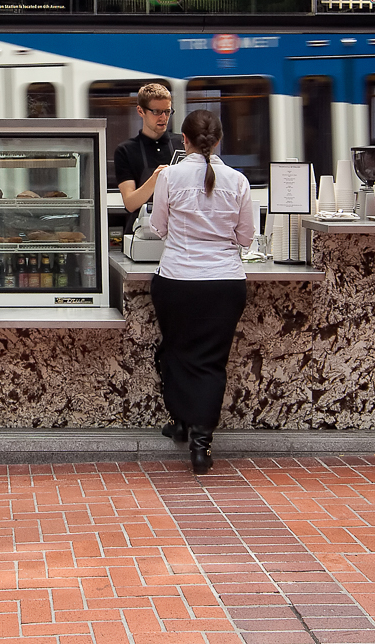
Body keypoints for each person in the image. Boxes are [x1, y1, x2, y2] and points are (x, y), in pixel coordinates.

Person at [146, 108, 257, 476]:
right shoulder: (239, 181)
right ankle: (200, 444)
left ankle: (180, 423)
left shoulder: (170, 177)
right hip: (225, 283)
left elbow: (158, 227)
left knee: (176, 352)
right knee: (212, 361)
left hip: (176, 280)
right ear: (220, 140)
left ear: (185, 141)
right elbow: (245, 238)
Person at [110, 84, 183, 231]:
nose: (163, 118)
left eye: (167, 112)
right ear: (140, 111)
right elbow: (130, 203)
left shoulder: (182, 143)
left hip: (178, 230)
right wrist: (156, 178)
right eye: (156, 112)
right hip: (141, 232)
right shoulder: (126, 150)